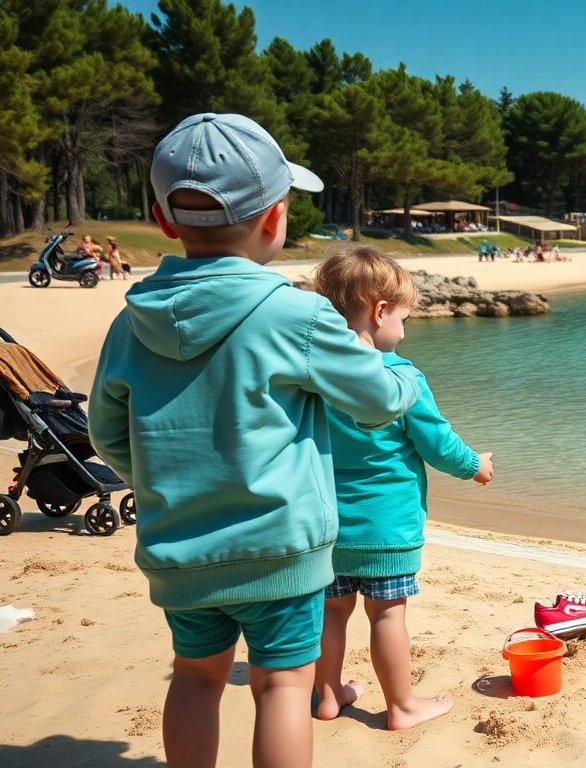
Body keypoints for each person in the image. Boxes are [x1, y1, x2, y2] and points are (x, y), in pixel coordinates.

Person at [89, 112, 421, 768]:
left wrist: (167, 483)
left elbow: (107, 436)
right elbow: (378, 403)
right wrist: (401, 381)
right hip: (280, 549)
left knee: (196, 677)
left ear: (163, 221)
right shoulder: (296, 315)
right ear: (275, 219)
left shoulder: (131, 325)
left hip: (180, 548)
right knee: (281, 687)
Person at [309, 246, 494, 730]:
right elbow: (436, 443)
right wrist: (476, 465)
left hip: (328, 525)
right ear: (380, 310)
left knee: (331, 614)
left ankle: (328, 697)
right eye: (405, 319)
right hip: (388, 528)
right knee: (387, 617)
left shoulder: (313, 376)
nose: (405, 331)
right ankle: (401, 706)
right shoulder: (401, 376)